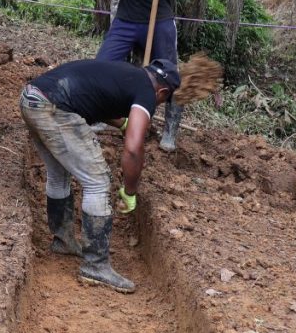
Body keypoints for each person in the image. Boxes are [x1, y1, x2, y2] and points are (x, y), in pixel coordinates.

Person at [20, 58, 181, 293]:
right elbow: (134, 149)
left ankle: (63, 241)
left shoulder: (127, 73)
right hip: (53, 108)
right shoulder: (148, 92)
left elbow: (98, 102)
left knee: (58, 173)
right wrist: (130, 191)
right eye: (164, 100)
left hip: (32, 98)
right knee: (97, 182)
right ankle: (95, 265)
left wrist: (124, 124)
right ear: (163, 91)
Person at [80, 0, 185, 151]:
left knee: (171, 76)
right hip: (127, 20)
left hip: (157, 20)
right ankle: (103, 114)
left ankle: (170, 131)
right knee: (101, 66)